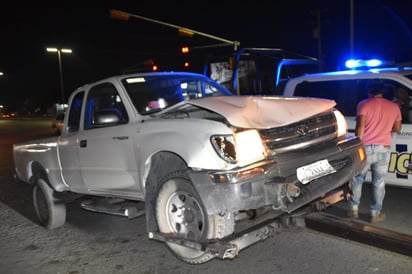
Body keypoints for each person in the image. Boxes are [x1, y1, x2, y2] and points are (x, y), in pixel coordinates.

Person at [348, 81, 402, 222]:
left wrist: (357, 144)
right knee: (379, 182)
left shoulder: (363, 104)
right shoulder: (394, 106)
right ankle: (375, 213)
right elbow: (397, 128)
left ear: (369, 91)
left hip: (364, 148)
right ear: (382, 91)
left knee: (358, 179)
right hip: (383, 148)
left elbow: (360, 127)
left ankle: (354, 210)